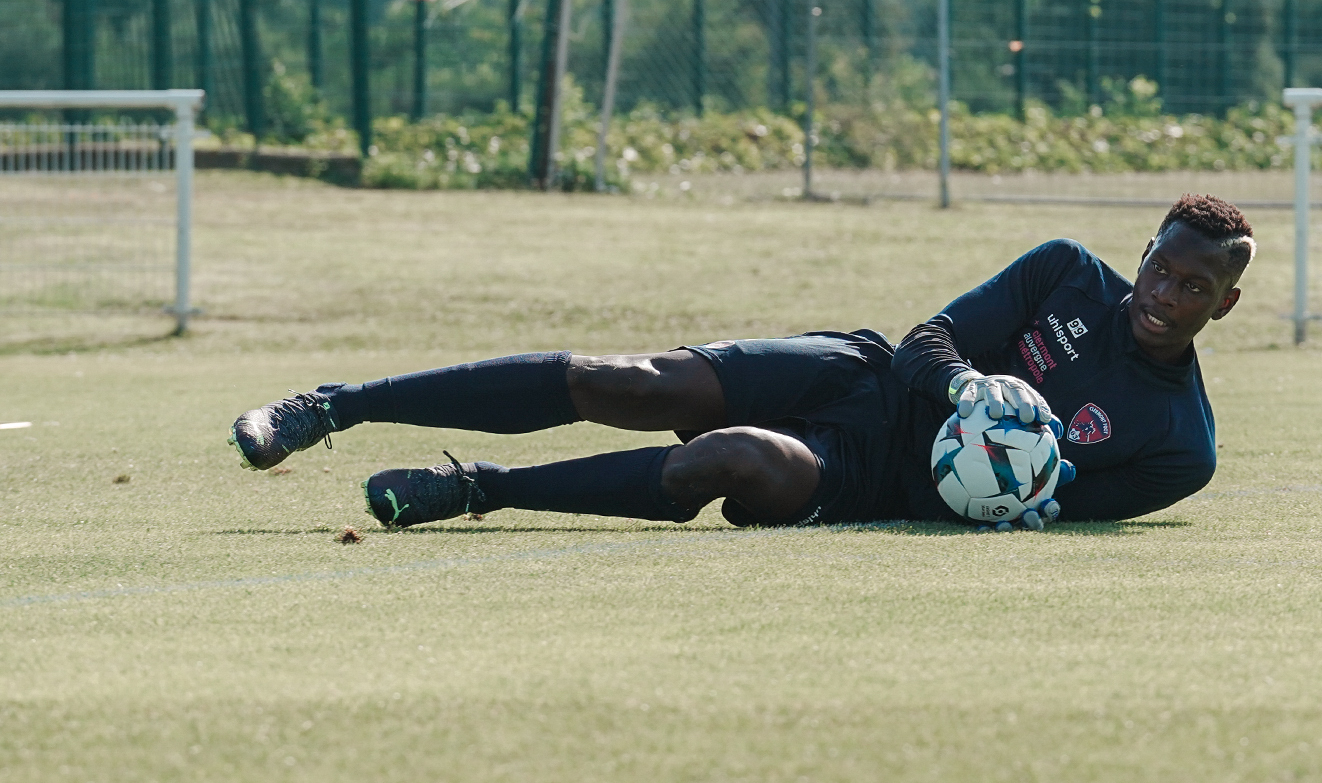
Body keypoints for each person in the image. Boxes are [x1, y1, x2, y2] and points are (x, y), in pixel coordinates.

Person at [227, 194, 1254, 530]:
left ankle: (475, 489)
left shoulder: (1180, 447)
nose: (1165, 298)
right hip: (857, 377)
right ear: (1146, 254)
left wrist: (1021, 476)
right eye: (1161, 270)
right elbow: (922, 341)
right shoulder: (1067, 273)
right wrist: (964, 388)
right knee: (619, 383)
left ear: (1225, 302)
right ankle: (333, 407)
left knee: (724, 457)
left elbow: (1056, 514)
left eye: (1193, 289)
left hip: (875, 477)